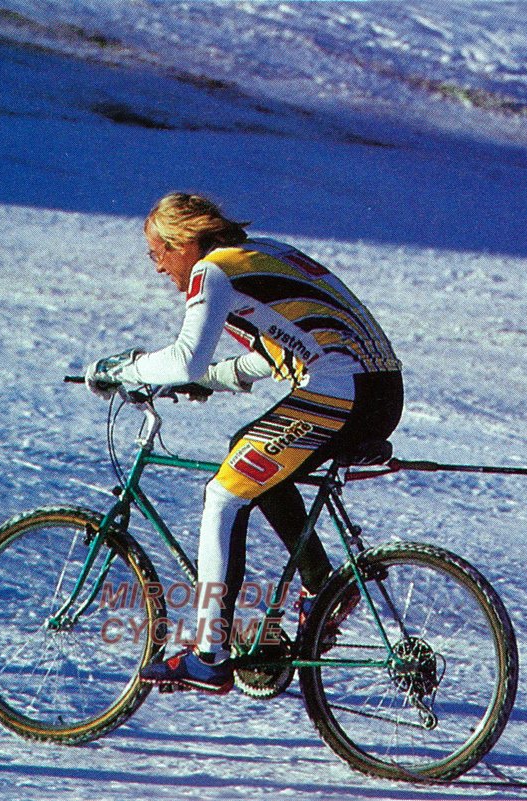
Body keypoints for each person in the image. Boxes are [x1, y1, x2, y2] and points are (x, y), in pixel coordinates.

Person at [86, 192, 403, 692]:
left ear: (183, 242)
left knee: (222, 495)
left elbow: (186, 357)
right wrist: (210, 379)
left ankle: (209, 654)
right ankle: (323, 587)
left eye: (157, 253)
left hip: (342, 392)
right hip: (377, 392)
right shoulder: (264, 252)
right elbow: (281, 352)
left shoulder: (212, 271)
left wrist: (124, 368)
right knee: (251, 456)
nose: (158, 268)